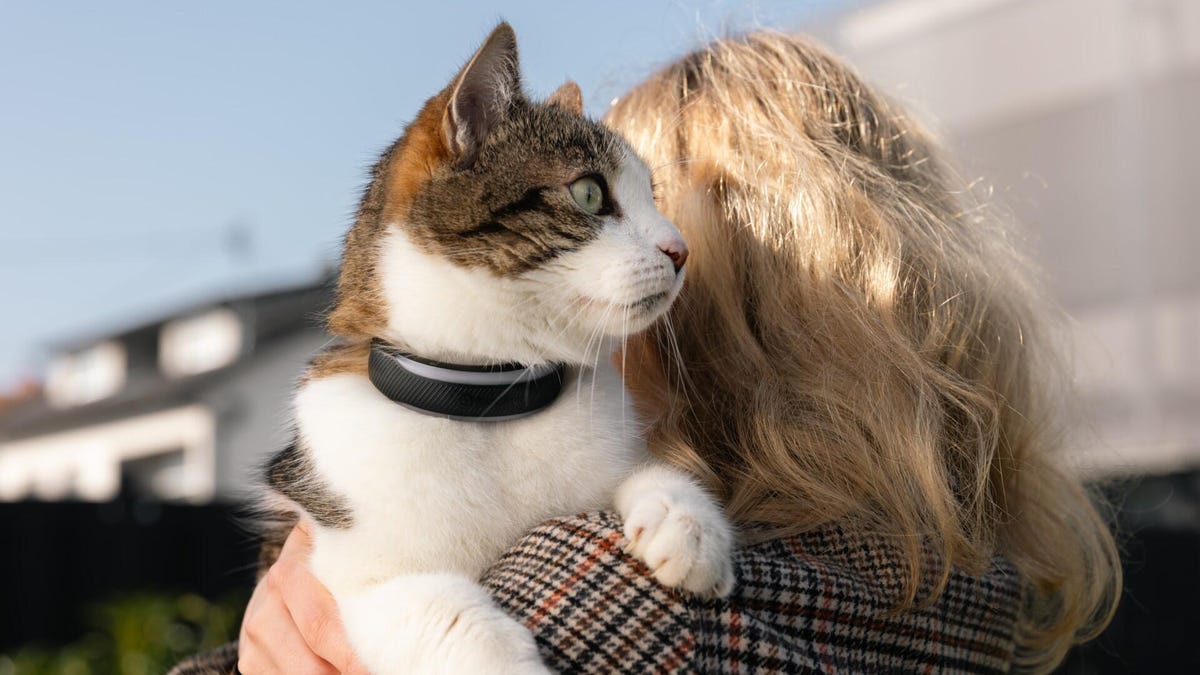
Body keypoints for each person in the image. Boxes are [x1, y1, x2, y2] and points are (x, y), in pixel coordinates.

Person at [178, 30, 1119, 675]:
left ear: (733, 310)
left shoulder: (624, 600)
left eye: (666, 213)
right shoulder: (978, 577)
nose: (655, 248)